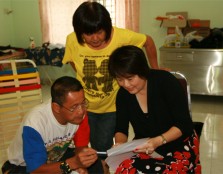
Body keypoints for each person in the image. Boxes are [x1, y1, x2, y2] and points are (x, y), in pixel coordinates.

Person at [62, 1, 159, 165]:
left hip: (110, 107)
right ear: (79, 32)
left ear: (107, 26)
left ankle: (103, 168)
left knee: (102, 146)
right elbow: (74, 62)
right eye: (88, 34)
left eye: (99, 32)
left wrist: (155, 70)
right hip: (83, 106)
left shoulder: (122, 37)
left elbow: (148, 41)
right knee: (80, 147)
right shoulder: (72, 40)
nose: (95, 38)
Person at [108, 45, 201, 173]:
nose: (126, 84)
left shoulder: (165, 82)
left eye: (130, 79)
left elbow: (183, 124)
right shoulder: (123, 95)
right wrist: (120, 145)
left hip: (179, 143)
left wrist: (158, 141)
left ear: (142, 71)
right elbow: (121, 129)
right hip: (146, 146)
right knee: (125, 169)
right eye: (120, 79)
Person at [1, 76, 103, 174]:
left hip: (55, 158)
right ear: (56, 108)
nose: (81, 111)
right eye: (74, 107)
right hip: (23, 166)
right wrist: (73, 164)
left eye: (83, 103)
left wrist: (81, 165)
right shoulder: (35, 124)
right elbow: (36, 170)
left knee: (96, 164)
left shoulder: (80, 116)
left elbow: (81, 147)